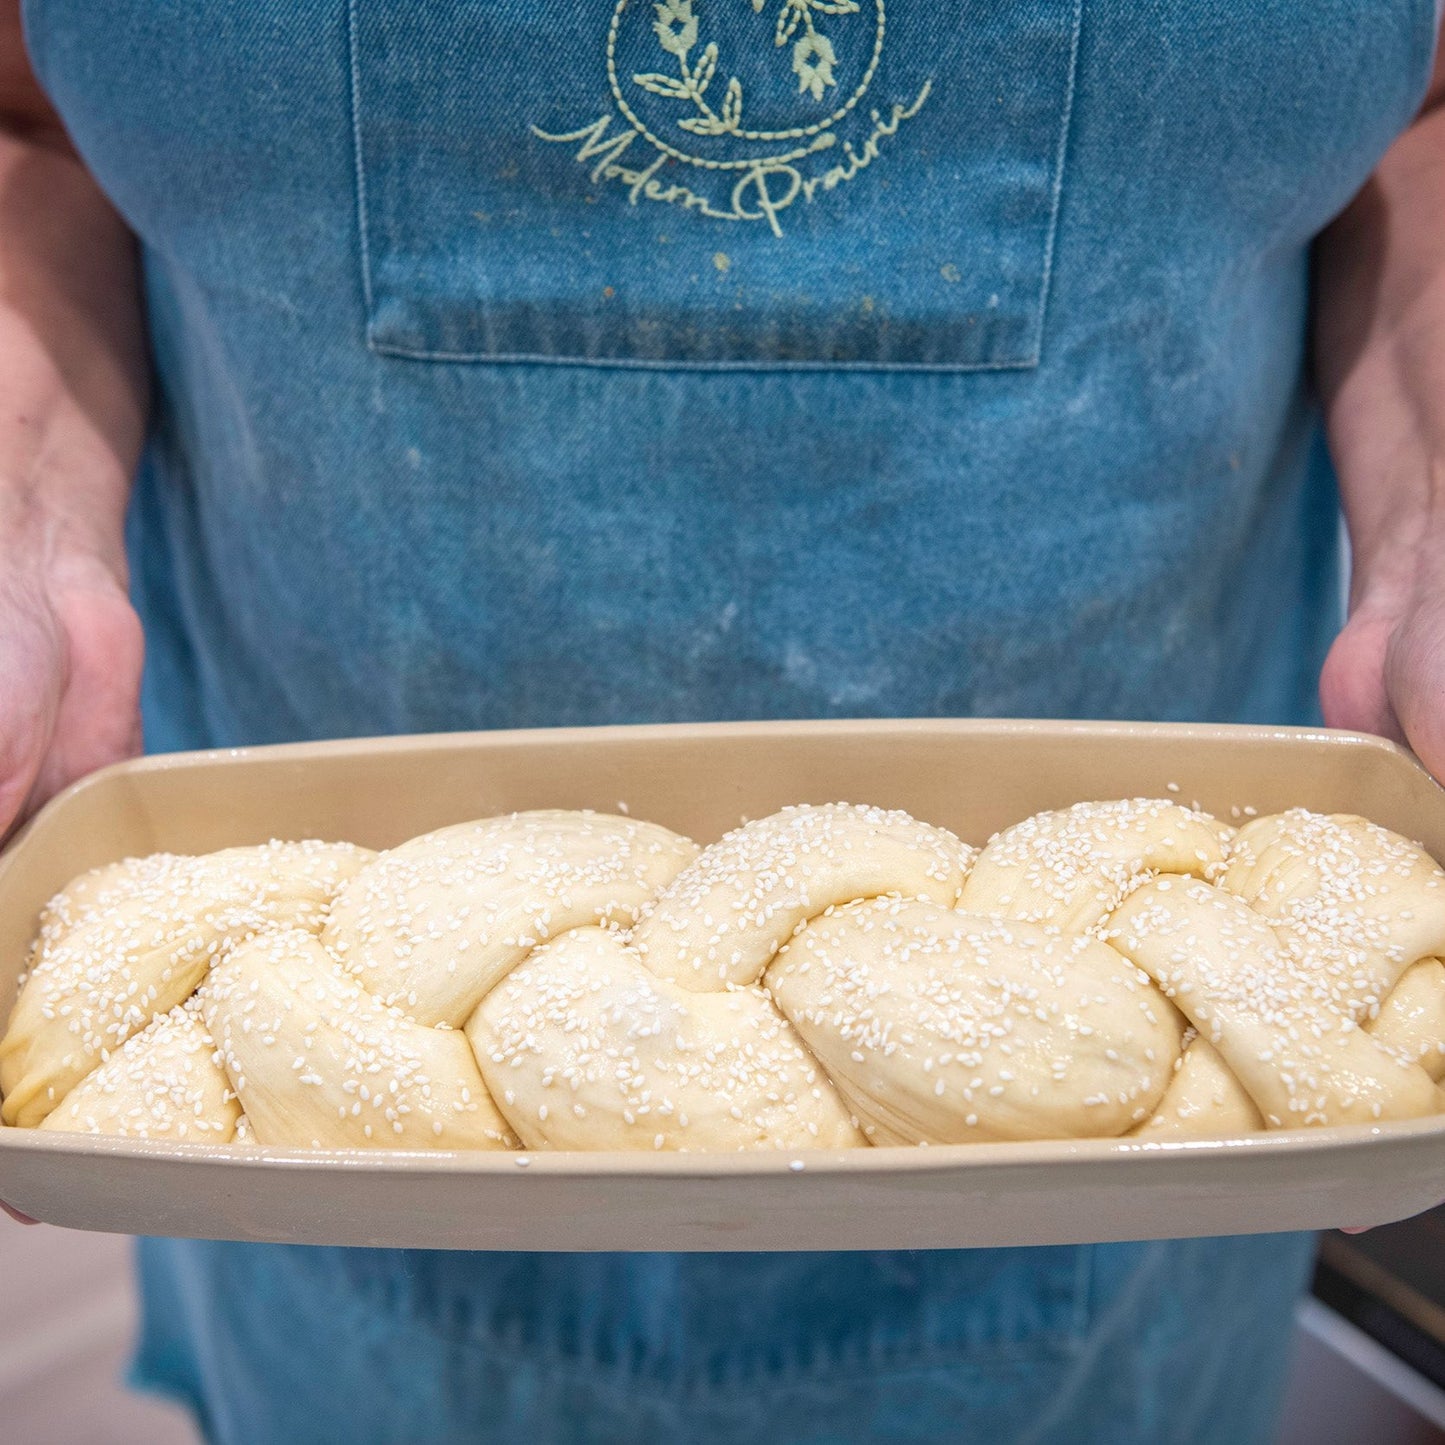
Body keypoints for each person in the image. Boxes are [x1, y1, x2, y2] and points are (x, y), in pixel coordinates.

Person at [2, 2, 1444, 1440]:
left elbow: (1418, 119)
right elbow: (33, 120)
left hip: (1153, 1103)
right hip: (321, 1109)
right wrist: (18, 501)